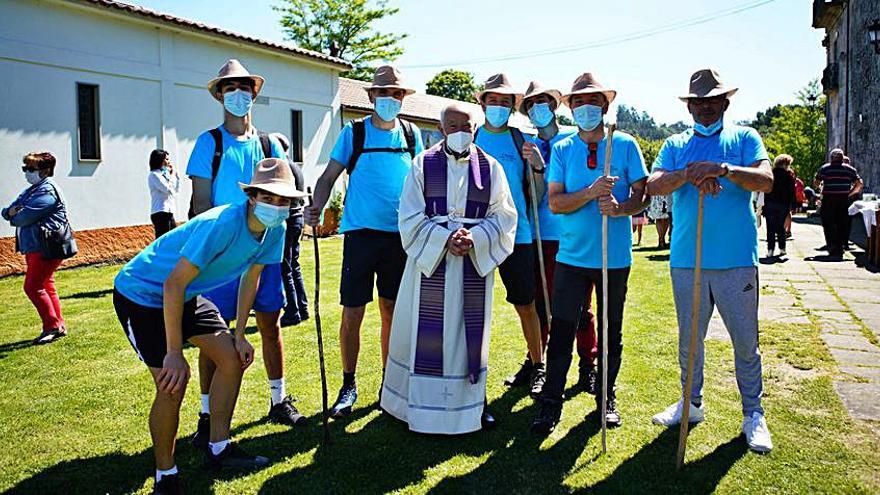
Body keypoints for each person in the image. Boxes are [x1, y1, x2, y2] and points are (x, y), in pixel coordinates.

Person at [113, 159, 303, 493]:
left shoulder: (277, 229)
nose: (276, 206)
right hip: (143, 293)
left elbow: (251, 278)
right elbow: (172, 284)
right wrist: (174, 352)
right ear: (252, 197)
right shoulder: (223, 223)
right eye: (269, 198)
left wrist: (240, 334)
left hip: (185, 293)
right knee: (174, 381)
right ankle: (166, 475)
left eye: (283, 200)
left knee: (232, 358)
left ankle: (219, 447)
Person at [646, 68, 775, 453]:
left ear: (725, 102)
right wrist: (689, 173)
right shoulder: (675, 144)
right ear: (689, 107)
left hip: (736, 259)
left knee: (745, 342)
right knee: (690, 340)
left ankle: (753, 412)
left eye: (711, 101)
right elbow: (652, 185)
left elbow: (766, 180)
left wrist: (723, 169)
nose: (704, 108)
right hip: (688, 259)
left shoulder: (744, 137)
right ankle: (691, 402)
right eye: (697, 102)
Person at [381, 104, 517, 434]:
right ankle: (413, 407)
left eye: (465, 126)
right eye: (452, 125)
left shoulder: (492, 168)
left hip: (472, 265)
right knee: (420, 334)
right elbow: (409, 216)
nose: (459, 131)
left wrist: (476, 237)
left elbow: (505, 216)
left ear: (475, 129)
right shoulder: (422, 163)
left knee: (468, 336)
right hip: (430, 268)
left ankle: (471, 407)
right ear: (441, 129)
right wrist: (444, 239)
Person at [186, 59, 303, 441]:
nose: (238, 94)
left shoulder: (270, 144)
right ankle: (207, 414)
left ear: (254, 93)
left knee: (271, 326)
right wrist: (205, 252)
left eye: (244, 87)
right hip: (222, 256)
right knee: (213, 336)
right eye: (230, 88)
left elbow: (284, 192)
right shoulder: (210, 143)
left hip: (265, 249)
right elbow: (200, 201)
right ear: (220, 95)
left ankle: (278, 399)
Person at [531, 73, 649, 434]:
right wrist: (589, 192)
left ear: (605, 106)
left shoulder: (625, 144)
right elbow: (555, 202)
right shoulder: (565, 149)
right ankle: (551, 403)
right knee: (563, 330)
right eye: (579, 102)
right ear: (570, 107)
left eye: (593, 102)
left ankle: (605, 396)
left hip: (613, 260)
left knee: (612, 332)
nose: (586, 108)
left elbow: (643, 195)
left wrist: (620, 207)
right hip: (572, 258)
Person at [305, 65, 425, 417]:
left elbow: (423, 180)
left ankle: (390, 381)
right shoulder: (353, 133)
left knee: (391, 311)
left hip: (399, 236)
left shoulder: (412, 134)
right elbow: (329, 176)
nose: (391, 99)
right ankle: (348, 383)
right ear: (372, 97)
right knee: (353, 312)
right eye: (384, 93)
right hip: (360, 234)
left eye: (397, 94)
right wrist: (316, 207)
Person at [518, 81, 599, 395]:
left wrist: (544, 165)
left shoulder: (574, 136)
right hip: (540, 235)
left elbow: (581, 182)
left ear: (554, 105)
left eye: (543, 102)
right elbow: (532, 194)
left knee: (579, 306)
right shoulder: (526, 144)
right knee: (541, 305)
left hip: (574, 235)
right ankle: (538, 362)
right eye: (531, 104)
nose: (538, 108)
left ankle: (587, 366)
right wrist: (534, 167)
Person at [473, 73, 546, 397]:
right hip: (476, 237)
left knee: (526, 304)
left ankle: (537, 365)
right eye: (494, 100)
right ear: (483, 102)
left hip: (518, 235)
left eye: (506, 102)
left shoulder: (521, 141)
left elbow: (537, 194)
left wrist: (539, 168)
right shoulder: (471, 138)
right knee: (472, 306)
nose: (499, 106)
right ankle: (467, 370)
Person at [2, 152, 69, 345]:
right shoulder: (32, 189)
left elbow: (23, 217)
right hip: (35, 245)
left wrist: (15, 214)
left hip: (46, 245)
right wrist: (11, 212)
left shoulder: (46, 190)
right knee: (46, 284)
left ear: (45, 171)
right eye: (25, 168)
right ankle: (58, 324)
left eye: (31, 169)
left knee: (32, 286)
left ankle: (52, 327)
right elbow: (8, 211)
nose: (27, 173)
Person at [271, 133, 309, 327]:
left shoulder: (283, 168)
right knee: (293, 265)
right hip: (298, 219)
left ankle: (293, 311)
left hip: (288, 219)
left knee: (285, 267)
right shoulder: (295, 166)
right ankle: (302, 307)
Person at [814, 148, 863, 258]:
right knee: (842, 223)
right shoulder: (850, 169)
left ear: (831, 158)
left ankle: (832, 247)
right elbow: (859, 183)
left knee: (828, 223)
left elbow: (816, 182)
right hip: (843, 199)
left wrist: (822, 188)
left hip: (829, 199)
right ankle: (840, 247)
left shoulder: (825, 168)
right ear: (842, 158)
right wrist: (850, 193)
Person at [763, 154, 796, 258]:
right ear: (785, 164)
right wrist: (793, 205)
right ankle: (782, 248)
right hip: (783, 204)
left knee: (770, 227)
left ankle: (770, 250)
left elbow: (766, 190)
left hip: (770, 203)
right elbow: (792, 192)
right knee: (781, 227)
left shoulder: (770, 174)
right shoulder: (789, 176)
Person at [148, 149, 180, 239]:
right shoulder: (154, 175)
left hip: (169, 211)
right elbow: (167, 189)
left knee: (174, 238)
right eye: (166, 159)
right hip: (160, 212)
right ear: (159, 160)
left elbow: (175, 191)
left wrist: (173, 176)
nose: (168, 161)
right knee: (163, 240)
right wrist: (172, 175)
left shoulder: (165, 175)